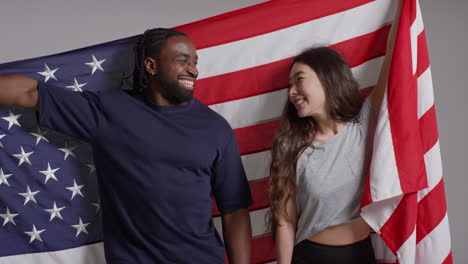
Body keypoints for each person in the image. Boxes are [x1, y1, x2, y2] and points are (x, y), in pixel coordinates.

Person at [0, 28, 252, 264]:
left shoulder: (215, 128)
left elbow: (235, 211)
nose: (193, 70)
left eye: (195, 62)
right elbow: (29, 93)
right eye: (183, 61)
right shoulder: (110, 111)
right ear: (151, 66)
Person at [267, 2, 402, 263]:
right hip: (311, 255)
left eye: (299, 79)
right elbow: (284, 220)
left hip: (362, 253)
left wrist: (402, 8)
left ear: (326, 77)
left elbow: (394, 56)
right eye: (289, 84)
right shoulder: (290, 145)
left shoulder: (364, 121)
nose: (291, 91)